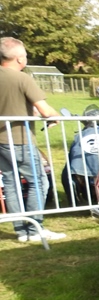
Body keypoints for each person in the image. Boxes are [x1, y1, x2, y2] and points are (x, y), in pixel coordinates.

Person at [0, 37, 65, 243]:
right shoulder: (22, 78)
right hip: (20, 140)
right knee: (38, 182)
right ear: (19, 58)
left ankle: (21, 231)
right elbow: (45, 110)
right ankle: (35, 228)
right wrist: (55, 116)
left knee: (11, 182)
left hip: (1, 141)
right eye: (25, 55)